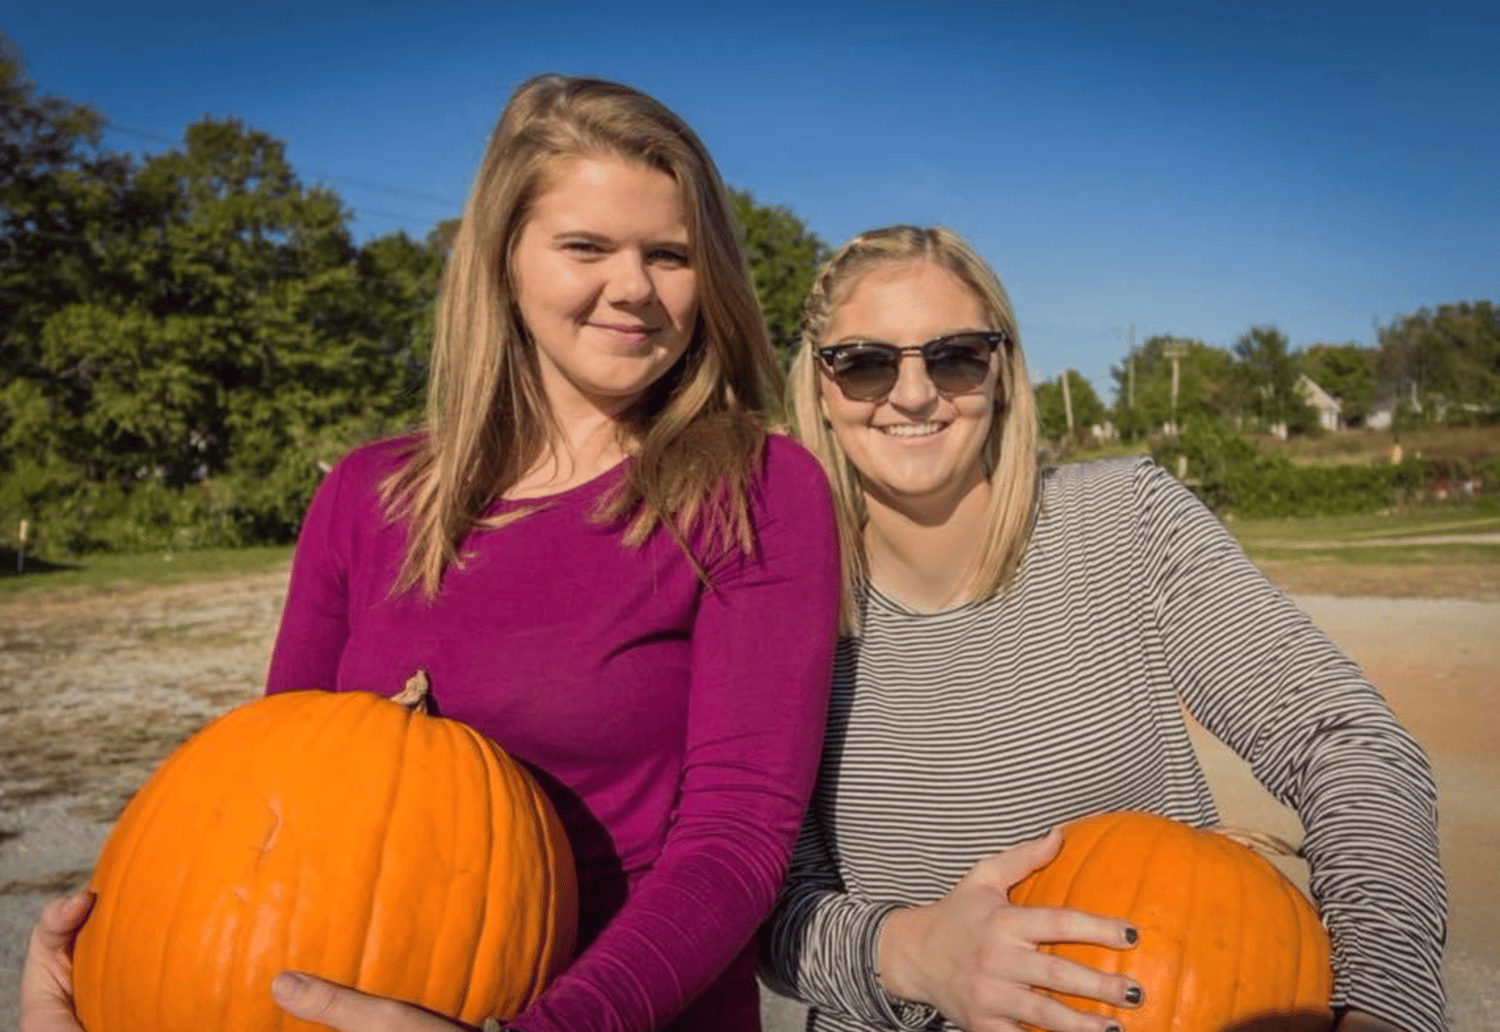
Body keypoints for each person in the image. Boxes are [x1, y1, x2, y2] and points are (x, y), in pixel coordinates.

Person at [18, 75, 840, 1032]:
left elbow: (735, 842)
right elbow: (269, 802)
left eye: (672, 254)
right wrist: (125, 962)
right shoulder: (366, 494)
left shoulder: (756, 488)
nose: (635, 288)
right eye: (585, 246)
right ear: (502, 262)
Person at [758, 225, 1446, 1032]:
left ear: (1002, 371)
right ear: (821, 388)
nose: (913, 394)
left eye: (954, 356)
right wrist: (915, 954)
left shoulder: (1123, 524)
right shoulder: (772, 591)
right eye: (867, 362)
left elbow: (1347, 743)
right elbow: (767, 902)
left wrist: (1385, 1005)